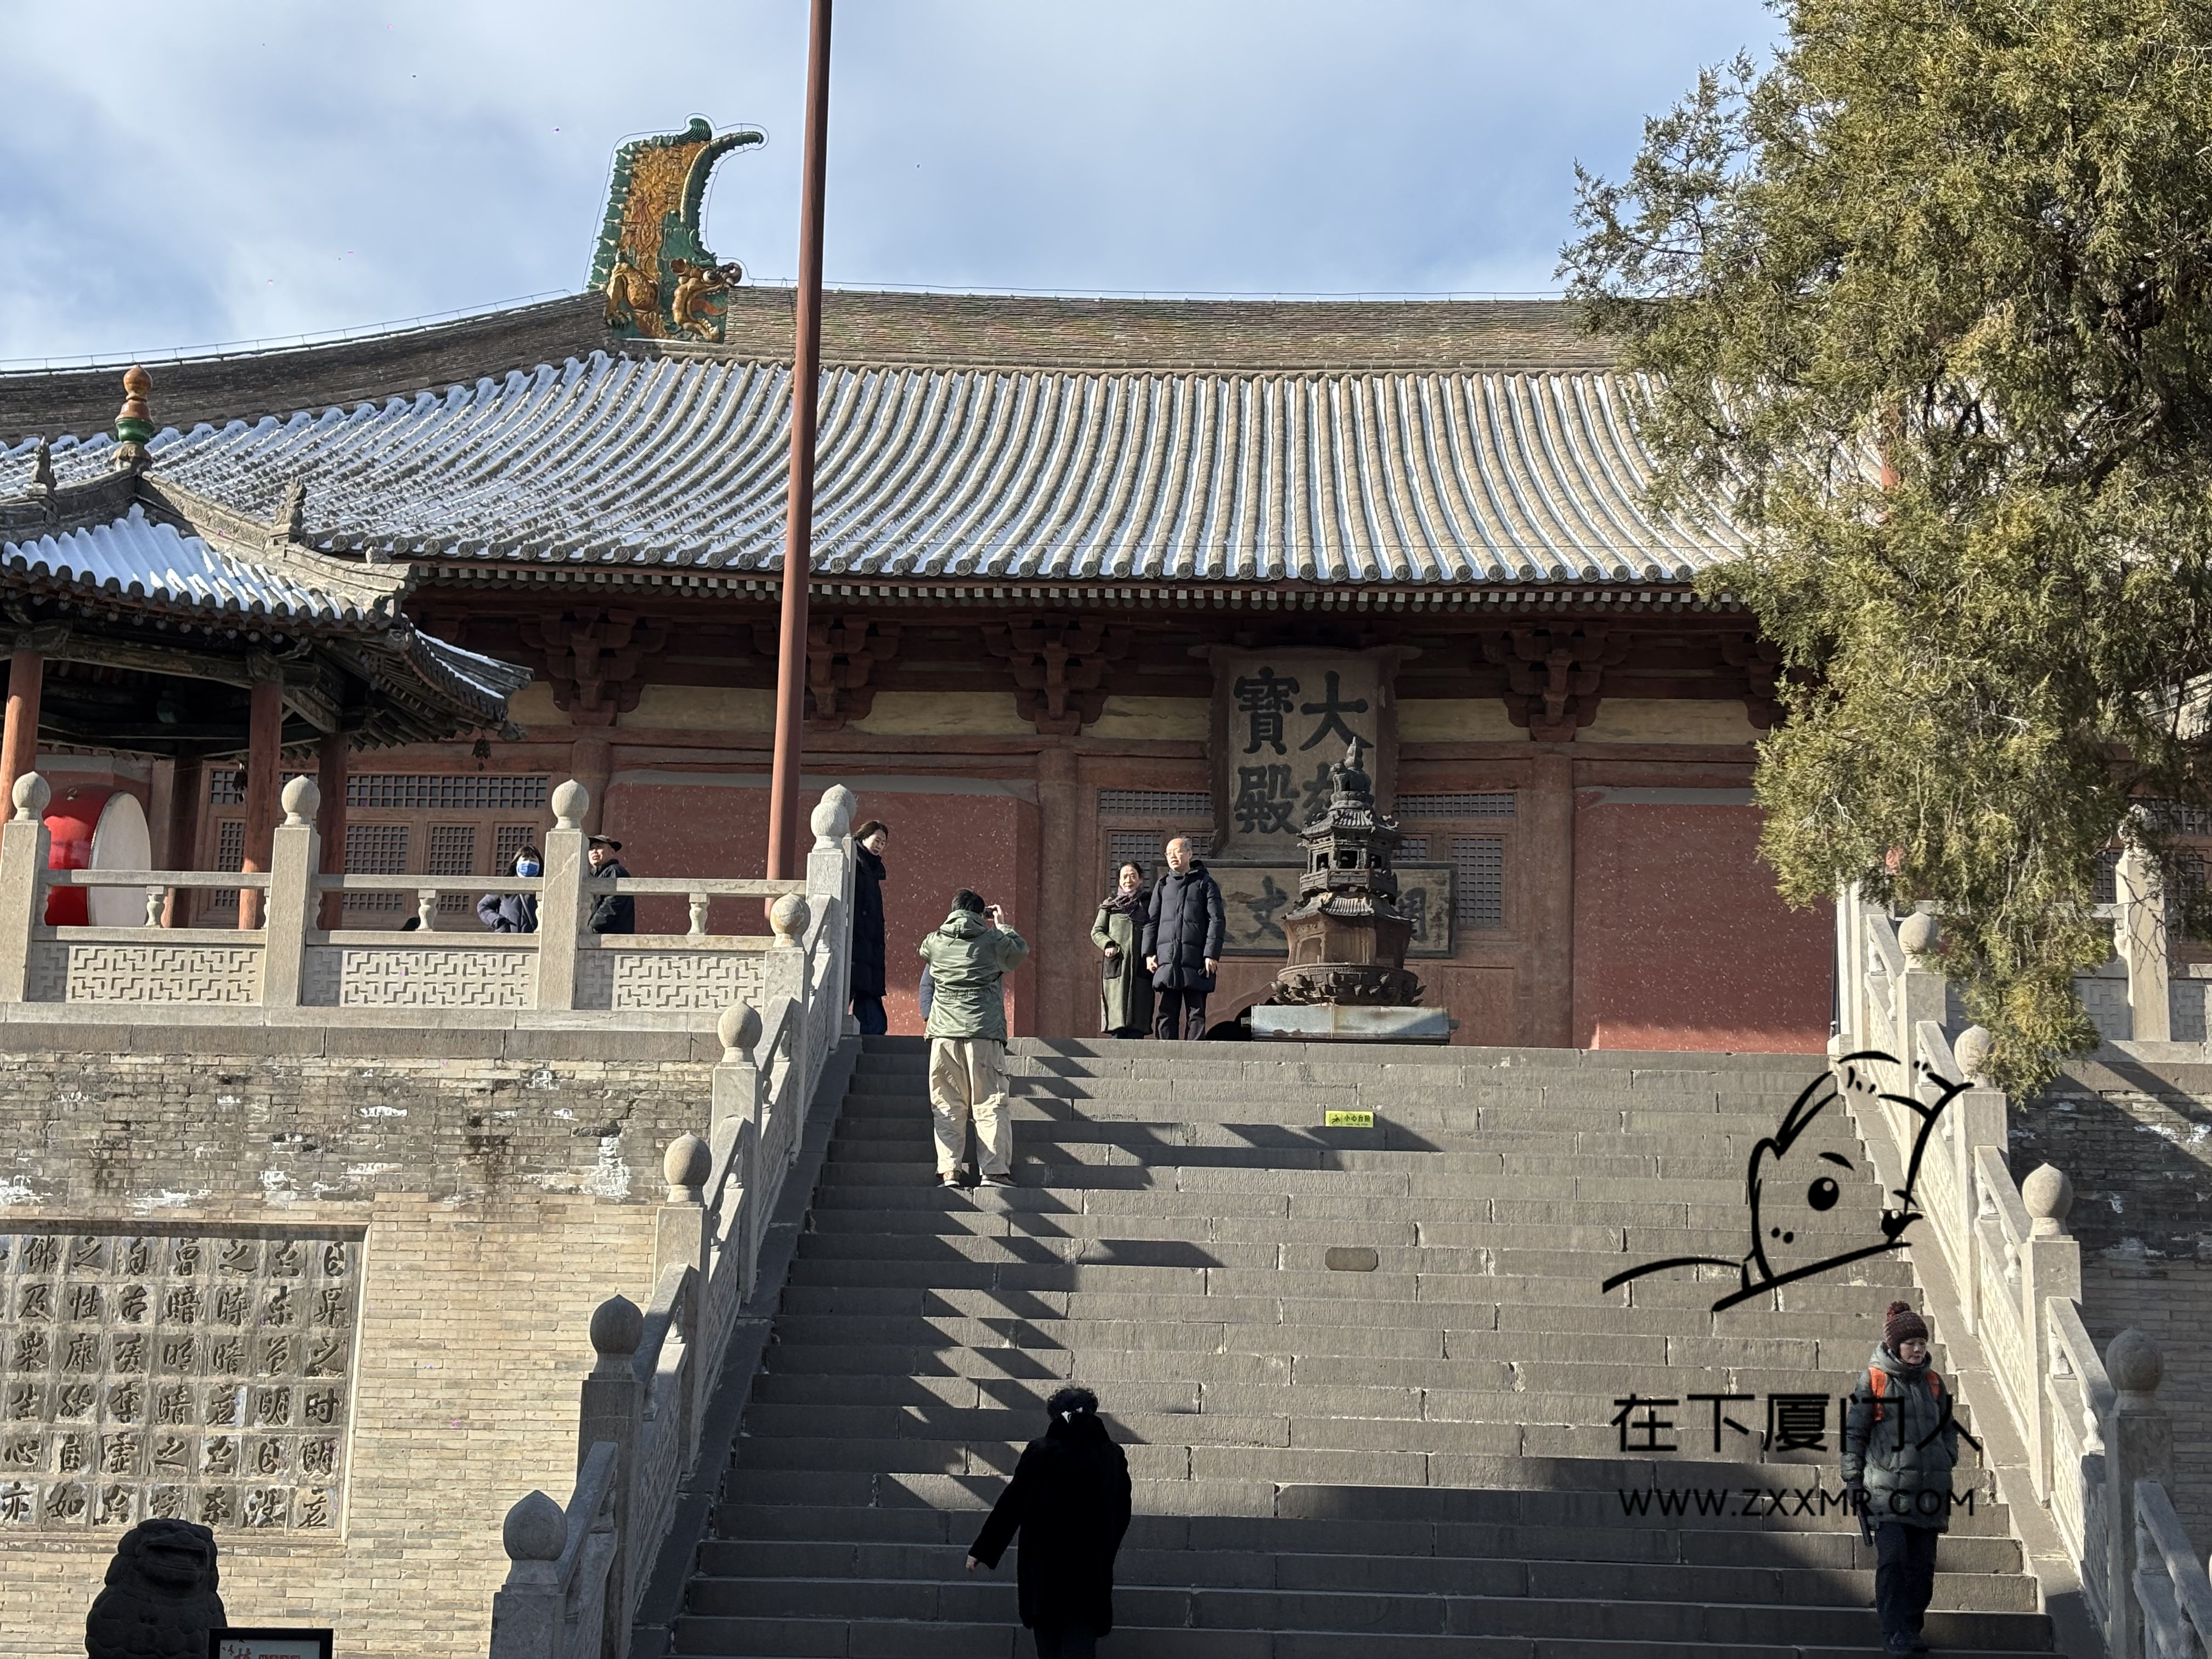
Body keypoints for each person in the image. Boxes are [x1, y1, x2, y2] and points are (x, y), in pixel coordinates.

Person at [966, 1386, 1132, 1659]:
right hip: (1089, 1570)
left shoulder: (1041, 1451)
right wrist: (1106, 1547)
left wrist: (983, 1550)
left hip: (1044, 1569)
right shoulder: (1111, 1455)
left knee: (1049, 1646)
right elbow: (1122, 1511)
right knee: (1081, 1644)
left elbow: (1012, 1503)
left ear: (1056, 1416)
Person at [1843, 1300, 1959, 1655]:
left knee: (1922, 1569)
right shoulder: (1875, 1379)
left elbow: (1948, 1428)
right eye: (1911, 1343)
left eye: (1922, 1343)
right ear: (1895, 1346)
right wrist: (1853, 1480)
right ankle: (1894, 1632)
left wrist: (1947, 1456)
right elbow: (1855, 1433)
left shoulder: (1934, 1383)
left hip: (1929, 1492)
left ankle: (1911, 1629)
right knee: (1893, 1562)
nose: (1918, 1349)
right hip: (1885, 1492)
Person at [918, 889, 1030, 1188]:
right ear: (982, 914)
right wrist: (1002, 925)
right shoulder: (993, 941)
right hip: (983, 1032)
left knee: (946, 1102)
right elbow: (1019, 951)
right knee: (989, 1100)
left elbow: (926, 953)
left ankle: (949, 1171)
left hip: (943, 1033)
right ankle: (993, 1171)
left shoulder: (935, 941)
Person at [1142, 836, 1224, 1041]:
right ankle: (1165, 1051)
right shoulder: (1163, 884)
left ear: (1189, 854)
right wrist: (1149, 953)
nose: (1173, 856)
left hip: (1196, 958)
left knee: (1196, 1012)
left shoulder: (1205, 883)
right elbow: (1152, 921)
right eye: (1169, 853)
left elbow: (1216, 920)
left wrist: (1211, 954)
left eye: (1177, 852)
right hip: (1168, 958)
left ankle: (1194, 1052)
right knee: (1166, 1011)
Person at [1090, 862, 1153, 1039]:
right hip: (1117, 964)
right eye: (1124, 876)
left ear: (1141, 880)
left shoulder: (1148, 903)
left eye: (1133, 876)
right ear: (1119, 880)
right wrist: (1108, 944)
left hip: (1141, 964)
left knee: (1139, 1014)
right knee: (1117, 1014)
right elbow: (1097, 931)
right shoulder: (1110, 905)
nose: (1128, 880)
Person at [850, 819, 890, 1035]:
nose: (879, 846)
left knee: (865, 987)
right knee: (857, 985)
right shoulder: (853, 861)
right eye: (877, 840)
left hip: (868, 941)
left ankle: (872, 1032)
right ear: (864, 837)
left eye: (883, 843)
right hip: (855, 939)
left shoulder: (871, 868)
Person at [476, 845, 541, 933]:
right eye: (525, 860)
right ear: (517, 863)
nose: (529, 863)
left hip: (534, 938)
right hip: (507, 937)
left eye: (533, 860)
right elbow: (483, 906)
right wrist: (500, 922)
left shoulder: (546, 888)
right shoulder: (504, 885)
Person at [585, 834, 635, 935]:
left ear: (612, 852)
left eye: (599, 847)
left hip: (611, 935)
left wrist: (592, 927)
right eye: (591, 849)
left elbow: (611, 904)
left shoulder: (615, 871)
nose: (594, 851)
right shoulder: (592, 876)